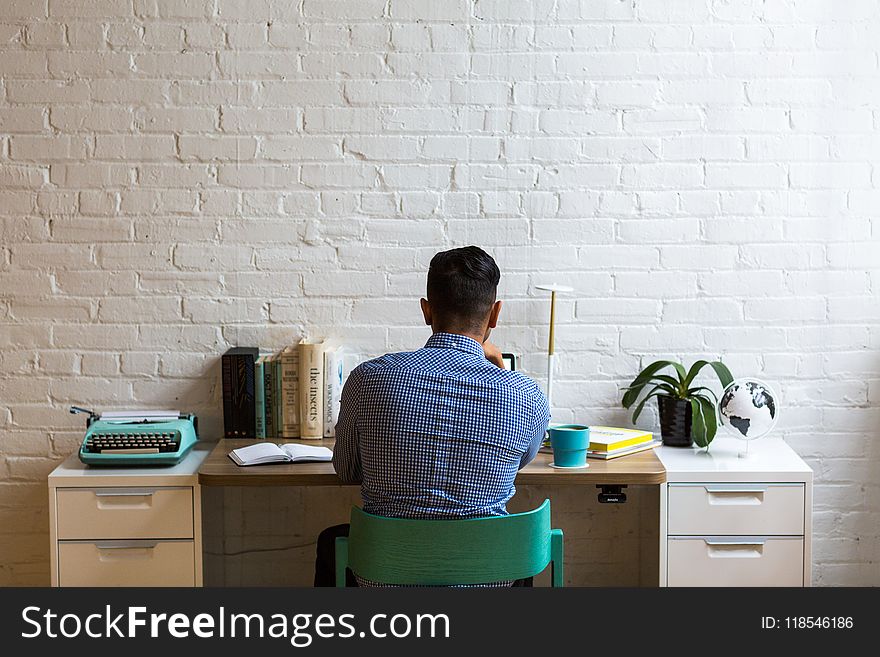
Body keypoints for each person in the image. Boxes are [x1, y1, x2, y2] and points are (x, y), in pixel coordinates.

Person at [315, 245, 550, 586]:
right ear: (496, 315)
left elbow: (347, 470)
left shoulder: (369, 379)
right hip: (487, 576)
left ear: (427, 311)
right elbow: (520, 463)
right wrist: (501, 371)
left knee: (332, 539)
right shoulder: (526, 396)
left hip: (386, 576)